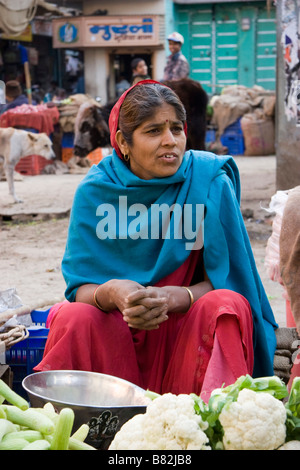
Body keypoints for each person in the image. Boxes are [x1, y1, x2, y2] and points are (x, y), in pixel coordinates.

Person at [34, 80, 278, 401]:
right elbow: (80, 289)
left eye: (177, 129)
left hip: (185, 331)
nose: (170, 142)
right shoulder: (95, 192)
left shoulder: (208, 181)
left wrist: (176, 297)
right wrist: (114, 293)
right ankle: (92, 421)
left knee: (226, 306)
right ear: (123, 142)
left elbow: (229, 281)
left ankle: (213, 417)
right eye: (153, 132)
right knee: (73, 315)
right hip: (115, 332)